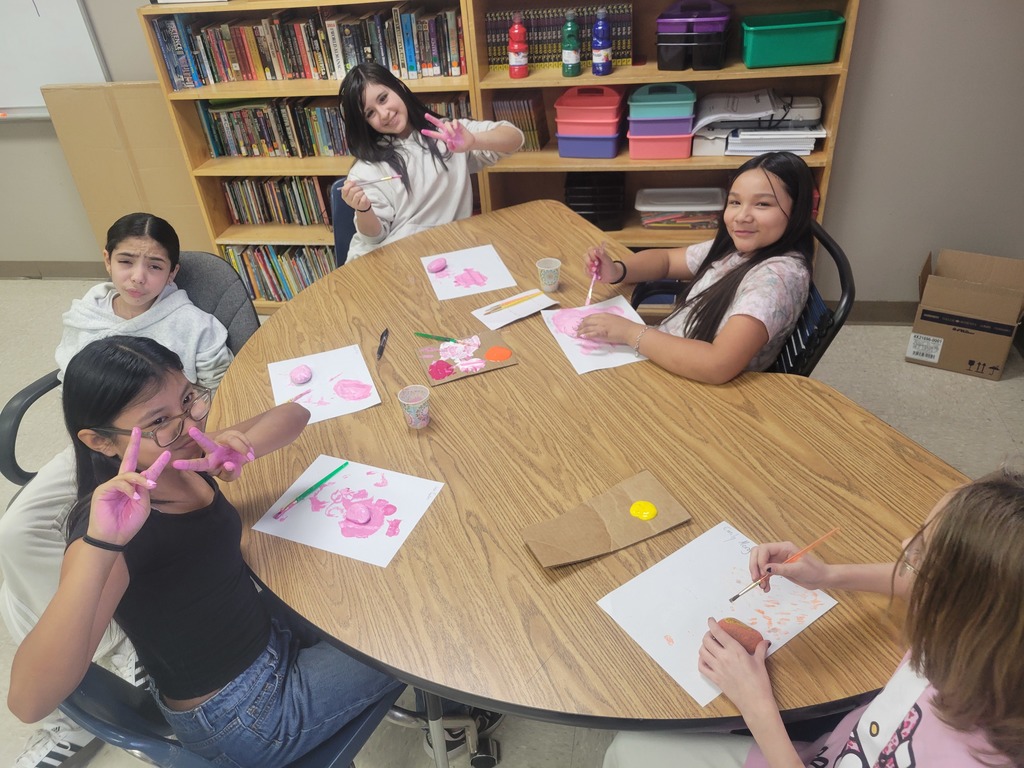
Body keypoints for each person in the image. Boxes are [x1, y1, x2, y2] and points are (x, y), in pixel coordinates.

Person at [7, 335, 407, 766]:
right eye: (160, 418)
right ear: (101, 441)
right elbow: (28, 702)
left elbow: (294, 414)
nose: (190, 423)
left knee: (374, 586)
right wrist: (102, 545)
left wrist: (242, 449)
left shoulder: (178, 447)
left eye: (189, 398)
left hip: (262, 642)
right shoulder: (113, 536)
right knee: (416, 640)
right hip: (244, 716)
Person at [0, 212, 234, 767]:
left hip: (161, 446)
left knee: (91, 558)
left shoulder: (191, 325)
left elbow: (217, 394)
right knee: (15, 537)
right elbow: (70, 382)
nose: (138, 277)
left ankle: (117, 648)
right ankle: (97, 663)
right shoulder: (84, 313)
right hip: (99, 445)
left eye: (154, 266)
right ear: (107, 261)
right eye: (126, 261)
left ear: (172, 273)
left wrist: (193, 431)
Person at [603, 469, 1024, 768]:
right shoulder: (988, 638)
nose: (903, 545)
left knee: (629, 748)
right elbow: (930, 586)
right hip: (838, 745)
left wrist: (756, 705)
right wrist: (828, 576)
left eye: (920, 552)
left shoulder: (966, 754)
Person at [578, 152, 814, 384]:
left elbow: (717, 365)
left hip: (696, 388)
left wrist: (630, 333)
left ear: (797, 212)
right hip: (667, 356)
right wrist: (618, 270)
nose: (741, 216)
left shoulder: (776, 279)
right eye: (735, 202)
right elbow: (667, 261)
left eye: (762, 204)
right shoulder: (738, 248)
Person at [338, 62, 524, 261]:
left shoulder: (448, 134)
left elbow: (515, 138)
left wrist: (473, 142)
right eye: (370, 113)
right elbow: (374, 238)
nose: (384, 114)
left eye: (383, 99)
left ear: (399, 88)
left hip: (438, 256)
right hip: (384, 260)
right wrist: (363, 209)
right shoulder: (366, 169)